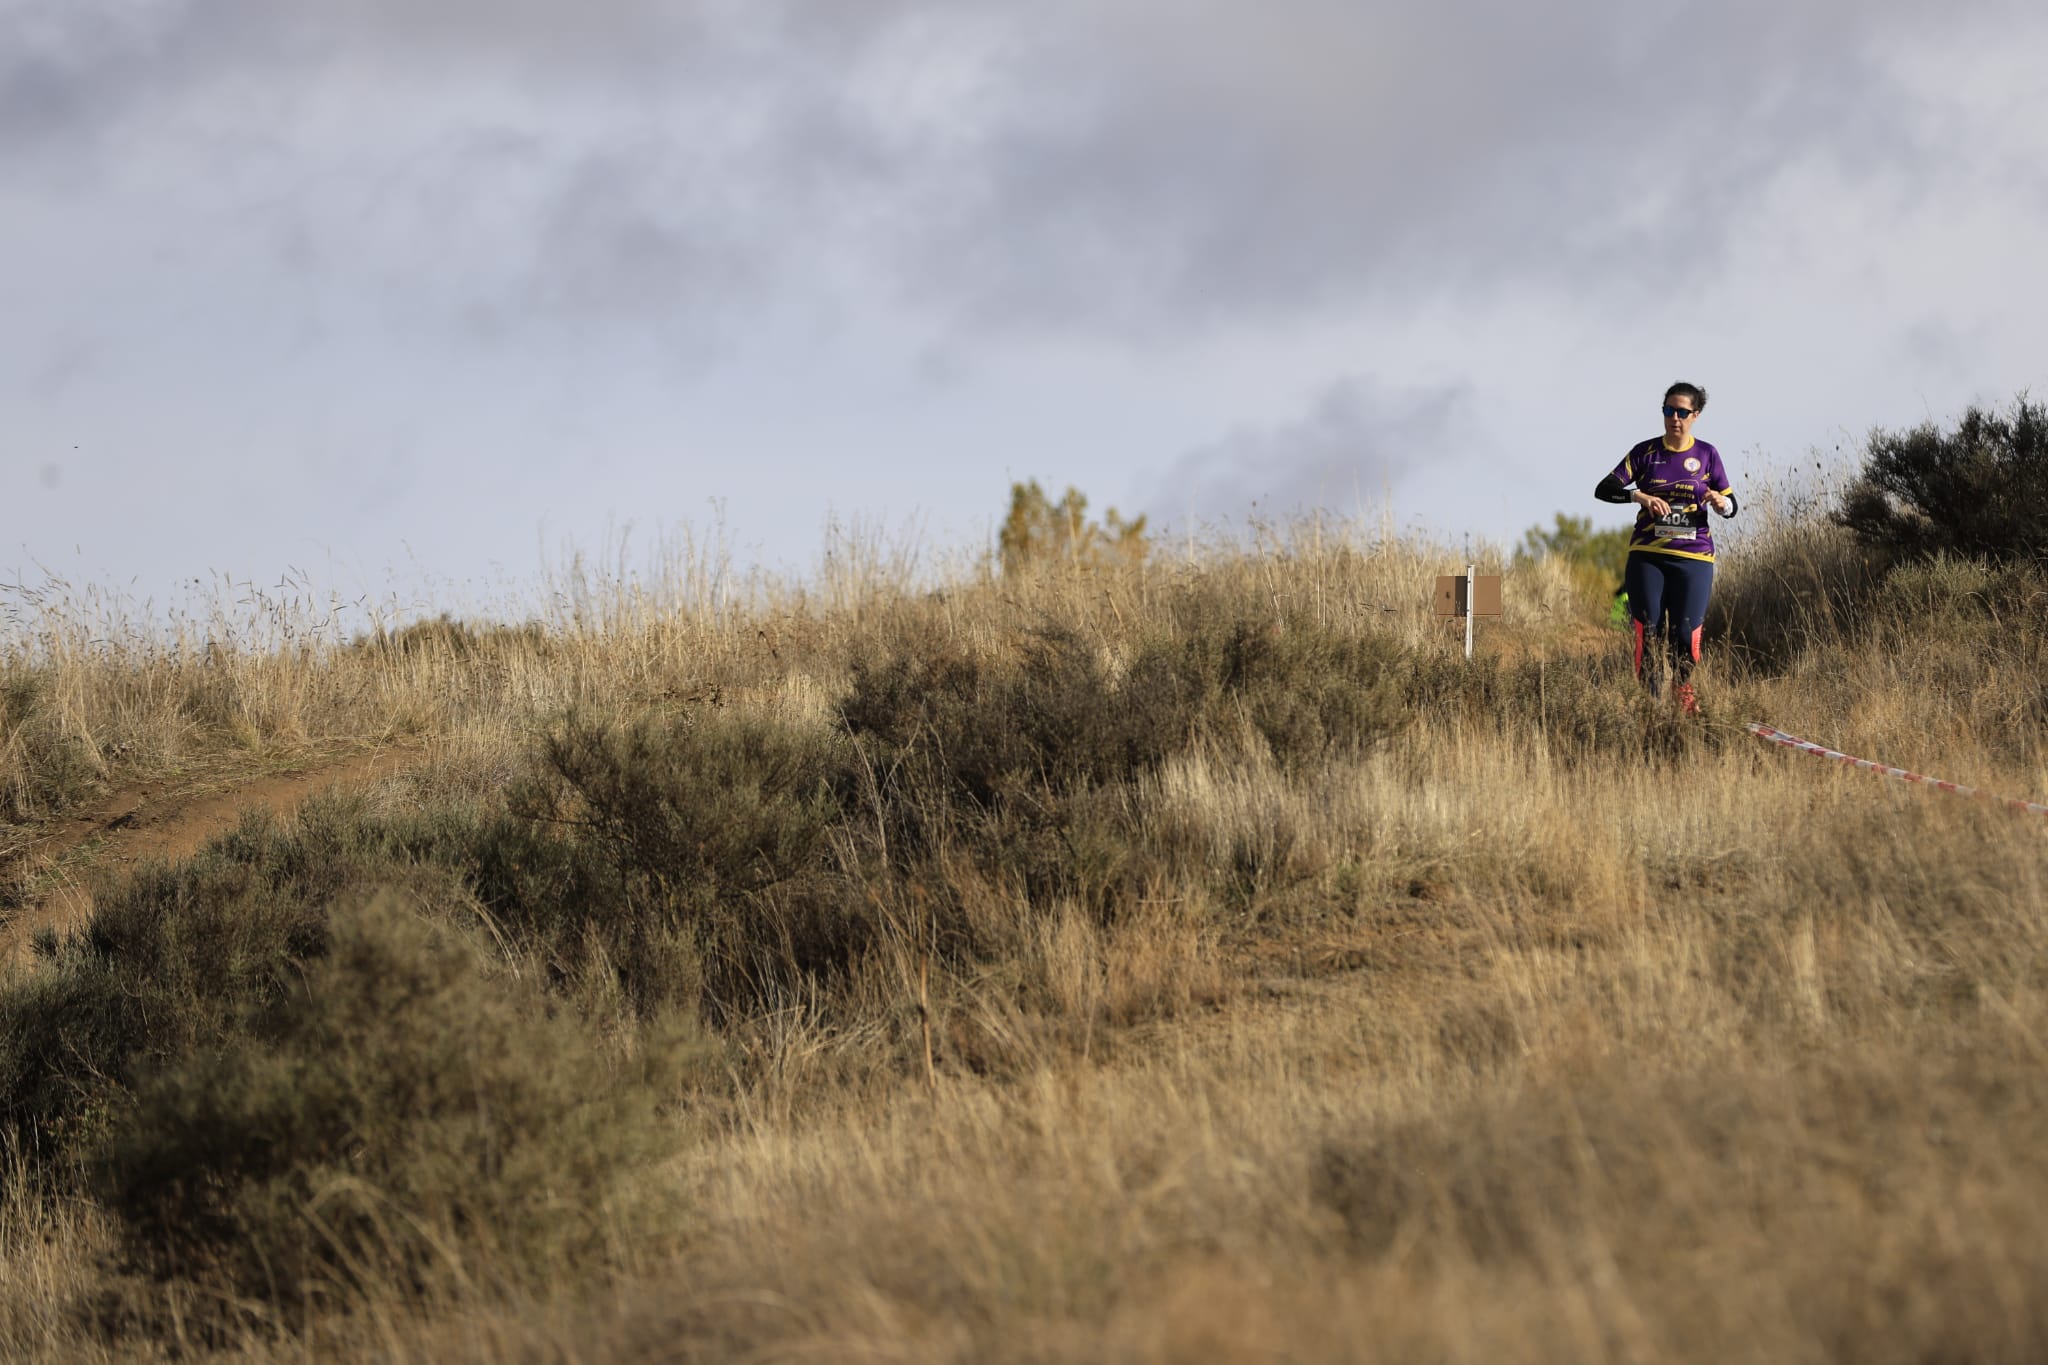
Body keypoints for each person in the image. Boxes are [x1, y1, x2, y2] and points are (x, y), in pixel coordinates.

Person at [1593, 382, 1737, 715]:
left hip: (1695, 557)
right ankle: (1651, 704)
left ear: (1695, 415)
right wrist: (1637, 495)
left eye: (1682, 412)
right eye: (1668, 411)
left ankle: (1682, 688)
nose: (1675, 418)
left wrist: (1720, 502)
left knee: (1686, 633)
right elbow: (1604, 488)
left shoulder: (1707, 454)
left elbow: (1732, 504)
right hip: (1648, 557)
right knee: (1650, 630)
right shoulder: (1645, 453)